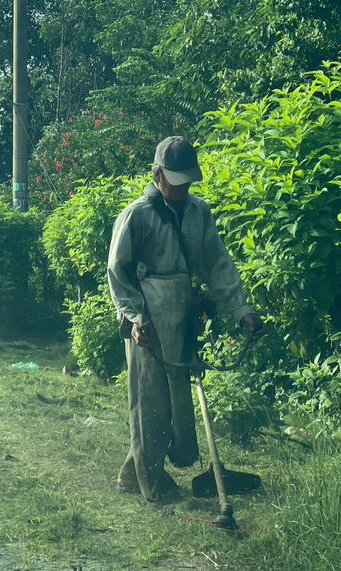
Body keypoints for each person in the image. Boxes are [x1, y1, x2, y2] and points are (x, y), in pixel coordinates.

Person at [107, 136, 264, 503]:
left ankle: (134, 474)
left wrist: (242, 312)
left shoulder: (198, 212)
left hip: (182, 319)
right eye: (176, 180)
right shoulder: (136, 216)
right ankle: (153, 486)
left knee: (176, 403)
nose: (183, 188)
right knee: (150, 403)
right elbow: (118, 271)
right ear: (157, 175)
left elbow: (217, 264)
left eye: (188, 181)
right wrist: (134, 318)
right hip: (145, 322)